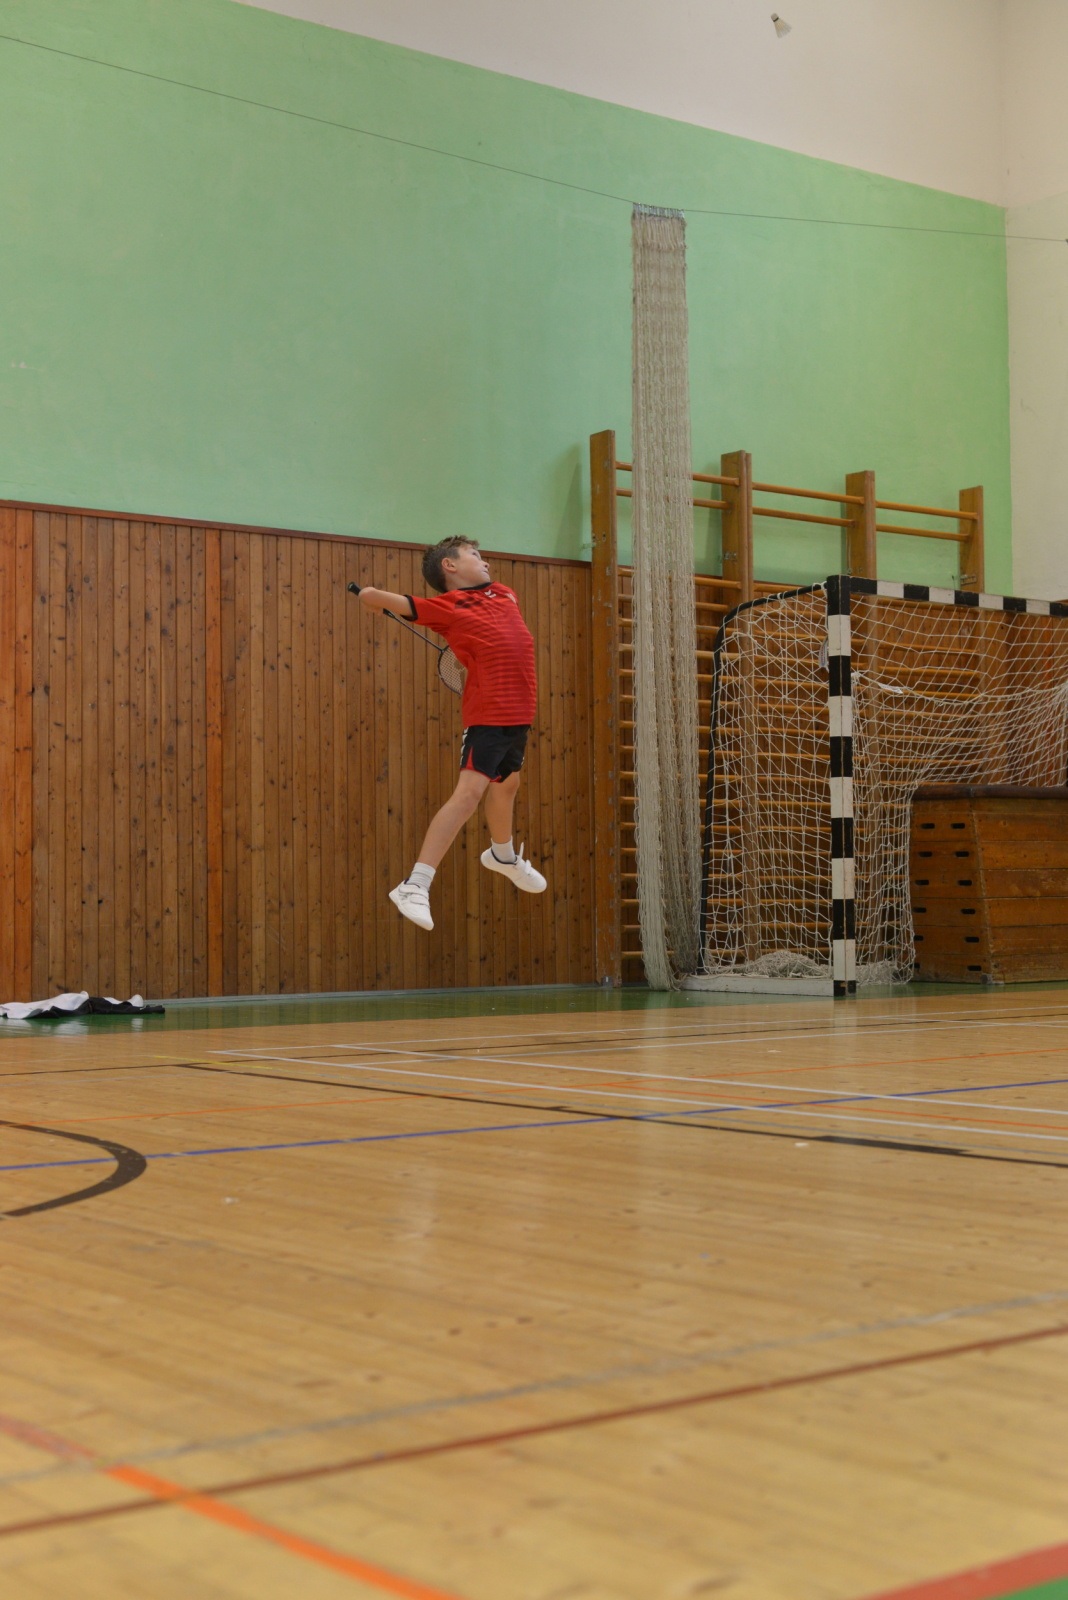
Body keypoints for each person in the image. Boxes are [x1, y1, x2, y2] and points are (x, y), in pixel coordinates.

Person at [358, 537, 547, 930]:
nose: (485, 562)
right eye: (474, 555)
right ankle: (414, 884)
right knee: (468, 796)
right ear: (450, 566)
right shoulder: (447, 606)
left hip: (519, 712)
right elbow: (381, 598)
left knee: (507, 784)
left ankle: (502, 856)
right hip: (489, 713)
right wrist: (370, 597)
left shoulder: (505, 594)